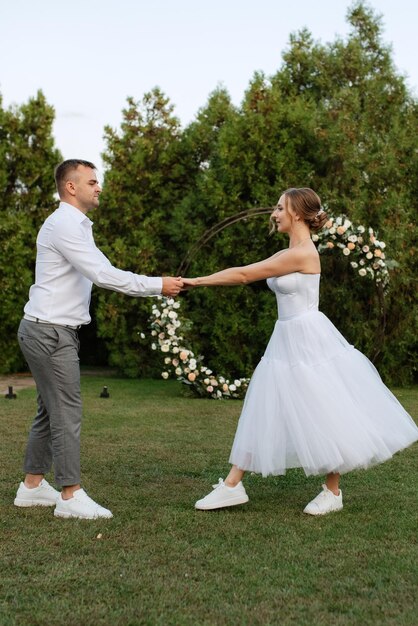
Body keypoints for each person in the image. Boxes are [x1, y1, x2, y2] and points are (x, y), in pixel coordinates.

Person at [183, 187, 418, 515]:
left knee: (322, 406)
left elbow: (245, 274)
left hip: (309, 338)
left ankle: (330, 491)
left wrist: (195, 281)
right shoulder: (290, 251)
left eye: (280, 207)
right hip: (286, 336)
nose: (274, 213)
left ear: (296, 212)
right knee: (267, 403)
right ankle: (233, 485)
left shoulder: (303, 252)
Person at [14, 159, 183, 520]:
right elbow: (104, 275)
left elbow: (102, 270)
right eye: (92, 181)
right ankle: (70, 494)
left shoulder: (75, 226)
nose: (99, 187)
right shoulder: (64, 224)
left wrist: (155, 284)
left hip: (50, 329)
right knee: (66, 412)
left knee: (49, 409)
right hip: (49, 332)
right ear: (70, 187)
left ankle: (31, 486)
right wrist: (158, 285)